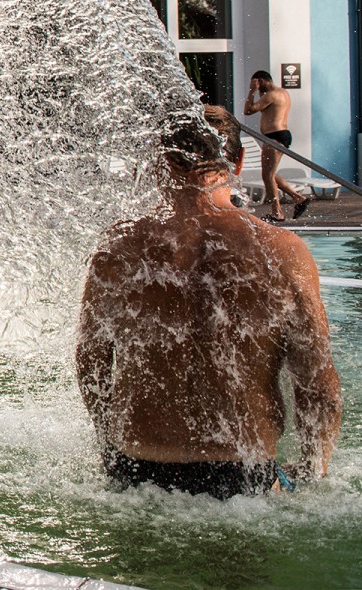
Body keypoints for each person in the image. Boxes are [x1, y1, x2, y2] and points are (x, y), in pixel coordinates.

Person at [75, 105, 341, 499]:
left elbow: (92, 362)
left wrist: (108, 442)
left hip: (134, 467)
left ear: (162, 161)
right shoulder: (281, 252)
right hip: (239, 474)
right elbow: (318, 382)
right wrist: (311, 466)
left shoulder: (121, 248)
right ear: (238, 160)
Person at [244, 70, 309, 221]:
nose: (258, 90)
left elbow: (248, 110)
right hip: (281, 134)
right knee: (271, 174)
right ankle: (298, 198)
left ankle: (277, 213)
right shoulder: (282, 93)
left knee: (267, 176)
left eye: (257, 85)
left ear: (260, 81)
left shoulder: (271, 95)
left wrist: (251, 91)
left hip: (274, 136)